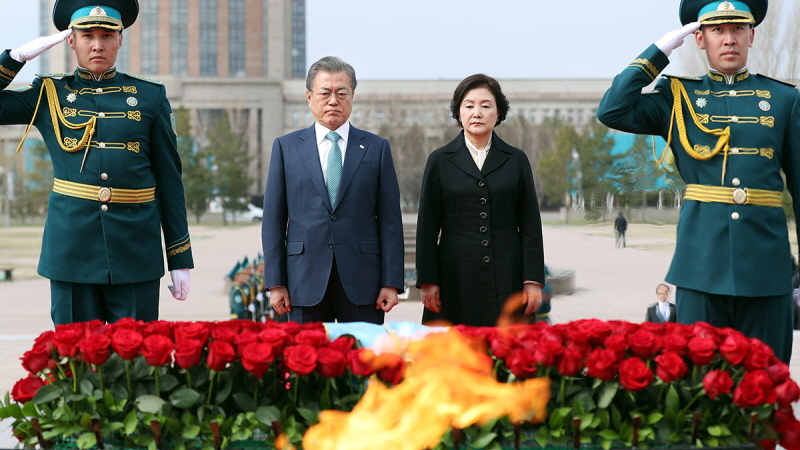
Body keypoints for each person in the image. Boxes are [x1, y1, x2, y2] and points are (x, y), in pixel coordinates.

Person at [596, 0, 796, 362]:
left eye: (737, 29)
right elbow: (612, 109)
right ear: (700, 39)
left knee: (770, 380)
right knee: (700, 387)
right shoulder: (678, 97)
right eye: (717, 30)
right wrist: (659, 52)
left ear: (752, 36)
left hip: (767, 265)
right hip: (701, 264)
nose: (729, 39)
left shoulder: (785, 99)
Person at [0, 0, 193, 325]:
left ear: (120, 39)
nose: (98, 44)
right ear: (71, 40)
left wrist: (179, 257)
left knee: (137, 365)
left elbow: (170, 181)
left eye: (107, 35)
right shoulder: (49, 93)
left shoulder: (150, 96)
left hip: (136, 248)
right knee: (75, 361)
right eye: (87, 35)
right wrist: (14, 59)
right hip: (72, 247)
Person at [262, 56, 404, 324]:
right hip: (302, 281)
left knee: (362, 360)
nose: (333, 101)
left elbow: (390, 221)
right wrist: (275, 283)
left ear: (352, 96)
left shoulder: (376, 148)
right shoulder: (286, 148)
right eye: (325, 93)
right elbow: (272, 221)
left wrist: (391, 282)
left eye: (342, 93)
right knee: (307, 361)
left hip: (364, 283)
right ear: (309, 97)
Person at [416, 74, 545, 327]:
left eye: (486, 105)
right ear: (458, 113)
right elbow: (427, 226)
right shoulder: (439, 160)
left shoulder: (516, 159)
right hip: (454, 276)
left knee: (509, 355)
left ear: (498, 113)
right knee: (456, 357)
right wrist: (428, 280)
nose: (477, 112)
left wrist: (532, 280)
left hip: (507, 274)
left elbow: (530, 224)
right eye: (469, 105)